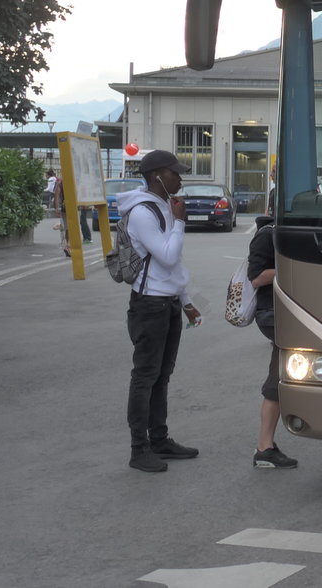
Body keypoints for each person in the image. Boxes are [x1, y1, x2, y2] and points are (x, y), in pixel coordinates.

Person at [118, 149, 202, 473]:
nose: (180, 178)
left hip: (166, 303)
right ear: (157, 177)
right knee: (145, 377)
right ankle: (139, 449)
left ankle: (160, 439)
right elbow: (167, 256)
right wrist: (179, 223)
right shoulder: (142, 212)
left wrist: (186, 301)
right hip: (149, 306)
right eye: (175, 173)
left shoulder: (163, 206)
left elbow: (173, 266)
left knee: (162, 377)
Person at [246, 214, 297, 469]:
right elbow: (254, 277)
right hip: (272, 314)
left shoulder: (293, 232)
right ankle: (264, 447)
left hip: (288, 314)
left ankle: (265, 446)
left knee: (279, 374)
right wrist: (291, 269)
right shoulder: (267, 235)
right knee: (277, 377)